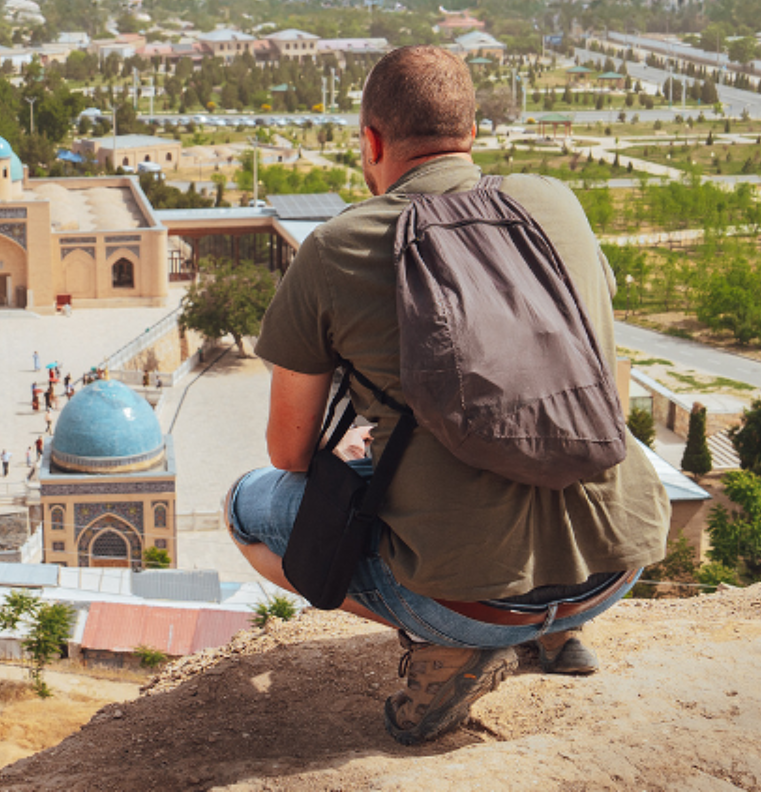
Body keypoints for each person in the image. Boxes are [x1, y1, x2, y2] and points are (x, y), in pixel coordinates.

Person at [224, 45, 669, 746]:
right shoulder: (556, 203)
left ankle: (455, 646)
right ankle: (559, 633)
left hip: (474, 603)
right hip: (615, 565)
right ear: (471, 133)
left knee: (249, 508)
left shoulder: (337, 248)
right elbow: (590, 378)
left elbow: (288, 451)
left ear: (371, 140)